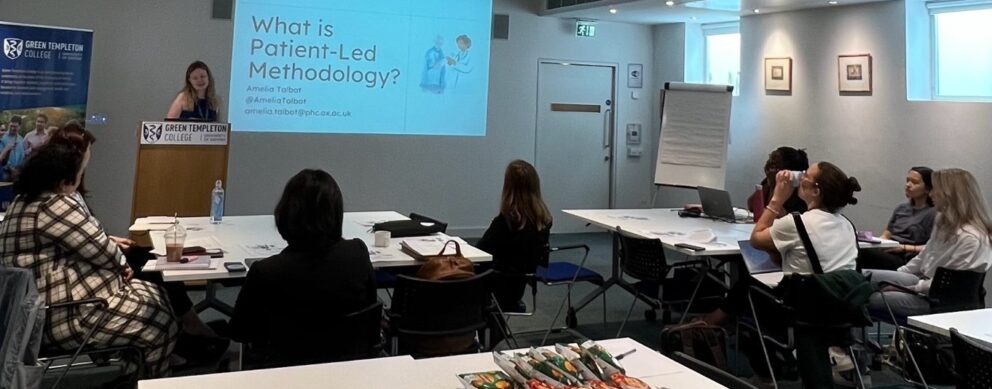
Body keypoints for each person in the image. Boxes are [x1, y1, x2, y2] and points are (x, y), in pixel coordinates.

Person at [48, 122, 228, 364]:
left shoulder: (49, 197)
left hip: (78, 278)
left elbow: (73, 238)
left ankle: (185, 331)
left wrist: (107, 240)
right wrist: (114, 253)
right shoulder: (59, 204)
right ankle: (186, 330)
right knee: (150, 262)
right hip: (73, 299)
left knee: (148, 258)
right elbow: (102, 253)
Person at [0, 138, 177, 377]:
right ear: (66, 179)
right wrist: (121, 264)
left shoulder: (21, 202)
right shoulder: (55, 204)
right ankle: (146, 379)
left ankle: (133, 373)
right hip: (62, 315)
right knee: (160, 322)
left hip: (33, 311)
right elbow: (103, 249)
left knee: (157, 296)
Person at [699, 161, 862, 388]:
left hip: (804, 311)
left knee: (747, 294)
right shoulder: (847, 224)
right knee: (753, 287)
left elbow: (756, 239)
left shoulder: (796, 223)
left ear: (816, 191)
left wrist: (776, 199)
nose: (800, 178)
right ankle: (835, 352)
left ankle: (764, 374)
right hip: (841, 308)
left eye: (806, 176)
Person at [230, 169, 376, 368]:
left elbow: (240, 331)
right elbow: (370, 307)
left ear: (285, 213)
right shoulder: (357, 253)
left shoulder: (266, 272)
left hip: (280, 374)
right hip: (348, 369)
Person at [867, 168, 992, 323]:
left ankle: (844, 342)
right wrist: (899, 275)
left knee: (868, 299)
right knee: (861, 277)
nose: (931, 195)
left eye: (935, 190)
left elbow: (945, 286)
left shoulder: (971, 239)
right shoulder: (943, 221)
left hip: (940, 301)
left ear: (950, 195)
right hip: (925, 285)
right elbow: (924, 256)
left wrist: (907, 288)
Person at [476, 160, 553, 312]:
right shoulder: (544, 221)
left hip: (495, 287)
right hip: (517, 287)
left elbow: (481, 251)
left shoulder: (504, 223)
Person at [858, 167, 936, 270]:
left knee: (861, 254)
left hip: (906, 258)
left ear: (927, 188)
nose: (908, 185)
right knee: (855, 248)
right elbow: (886, 235)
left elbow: (932, 247)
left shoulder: (933, 214)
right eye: (907, 181)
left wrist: (903, 248)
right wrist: (871, 242)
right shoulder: (901, 208)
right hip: (888, 250)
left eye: (915, 182)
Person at [747, 147, 809, 220]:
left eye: (773, 165)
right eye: (768, 161)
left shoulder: (799, 195)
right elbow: (751, 205)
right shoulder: (767, 182)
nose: (767, 168)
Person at [0, 116, 26, 181]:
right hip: (5, 172)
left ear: (19, 126)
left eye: (15, 126)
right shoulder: (3, 138)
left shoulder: (21, 139)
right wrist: (12, 170)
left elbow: (22, 157)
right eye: (11, 126)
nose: (12, 128)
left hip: (17, 172)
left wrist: (18, 171)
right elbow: (2, 158)